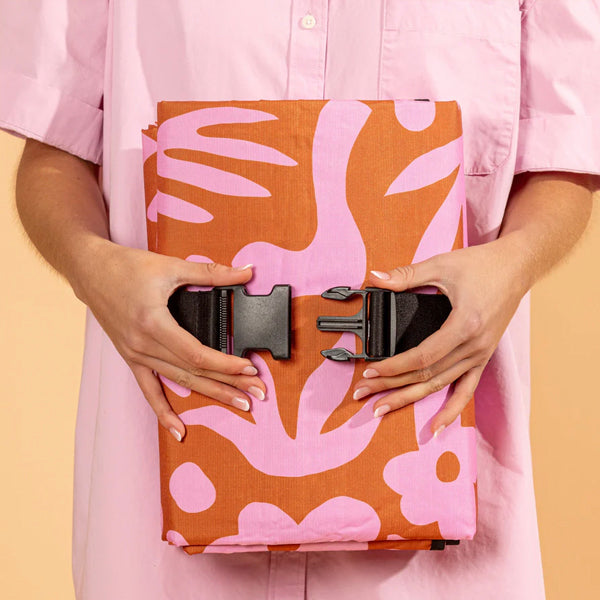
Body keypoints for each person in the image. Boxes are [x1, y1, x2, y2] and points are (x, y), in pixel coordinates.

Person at [1, 1, 598, 598]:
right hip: (166, 448)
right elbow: (55, 150)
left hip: (434, 461)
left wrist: (512, 266)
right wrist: (93, 266)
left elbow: (562, 159)